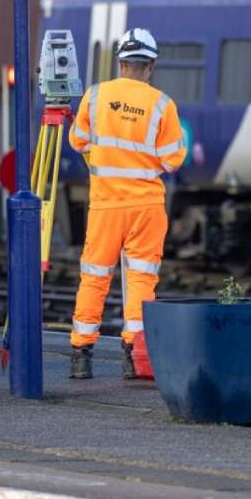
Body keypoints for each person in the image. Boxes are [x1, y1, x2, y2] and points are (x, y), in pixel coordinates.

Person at [67, 28, 187, 379]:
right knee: (141, 280)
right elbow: (172, 160)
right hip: (146, 207)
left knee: (94, 277)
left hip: (105, 206)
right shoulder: (162, 104)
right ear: (150, 66)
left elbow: (78, 141)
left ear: (121, 63)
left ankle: (80, 355)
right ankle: (133, 358)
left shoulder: (95, 95)